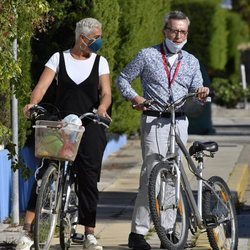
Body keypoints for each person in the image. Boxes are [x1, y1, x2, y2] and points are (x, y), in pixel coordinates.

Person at [116, 10, 209, 250]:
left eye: (183, 32)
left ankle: (168, 232)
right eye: (174, 31)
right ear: (165, 32)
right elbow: (123, 79)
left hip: (179, 121)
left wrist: (201, 94)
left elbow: (197, 87)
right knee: (151, 176)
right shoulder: (146, 55)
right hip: (154, 120)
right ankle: (138, 233)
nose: (178, 36)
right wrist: (135, 97)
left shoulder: (191, 61)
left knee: (173, 177)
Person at [17, 17, 112, 250]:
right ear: (83, 38)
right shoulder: (58, 58)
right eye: (96, 38)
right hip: (61, 124)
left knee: (88, 178)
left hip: (89, 123)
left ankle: (89, 233)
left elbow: (106, 93)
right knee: (43, 173)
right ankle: (28, 232)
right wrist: (33, 103)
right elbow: (41, 86)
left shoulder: (101, 62)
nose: (99, 42)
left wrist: (101, 108)